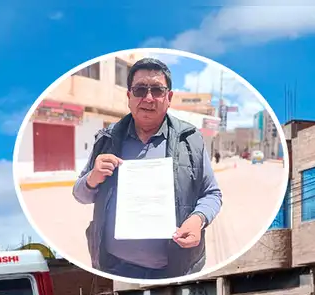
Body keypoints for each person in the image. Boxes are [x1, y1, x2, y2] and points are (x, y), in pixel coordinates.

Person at [73, 57, 223, 280]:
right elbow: (80, 195)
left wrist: (198, 219)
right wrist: (92, 178)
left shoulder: (190, 140)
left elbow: (212, 194)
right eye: (140, 90)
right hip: (114, 268)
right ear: (129, 97)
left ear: (169, 97)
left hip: (175, 270)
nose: (149, 98)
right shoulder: (107, 139)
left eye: (157, 90)